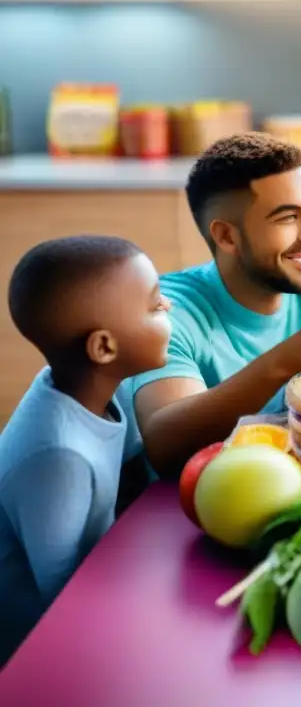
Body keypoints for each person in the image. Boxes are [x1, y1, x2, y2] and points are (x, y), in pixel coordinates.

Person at [130, 133, 301, 479]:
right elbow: (165, 447)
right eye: (288, 218)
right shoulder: (170, 311)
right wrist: (284, 362)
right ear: (227, 237)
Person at [0, 236, 171, 666]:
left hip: (99, 584)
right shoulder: (59, 456)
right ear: (104, 348)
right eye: (154, 306)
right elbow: (62, 593)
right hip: (35, 647)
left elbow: (133, 458)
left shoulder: (88, 387)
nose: (167, 308)